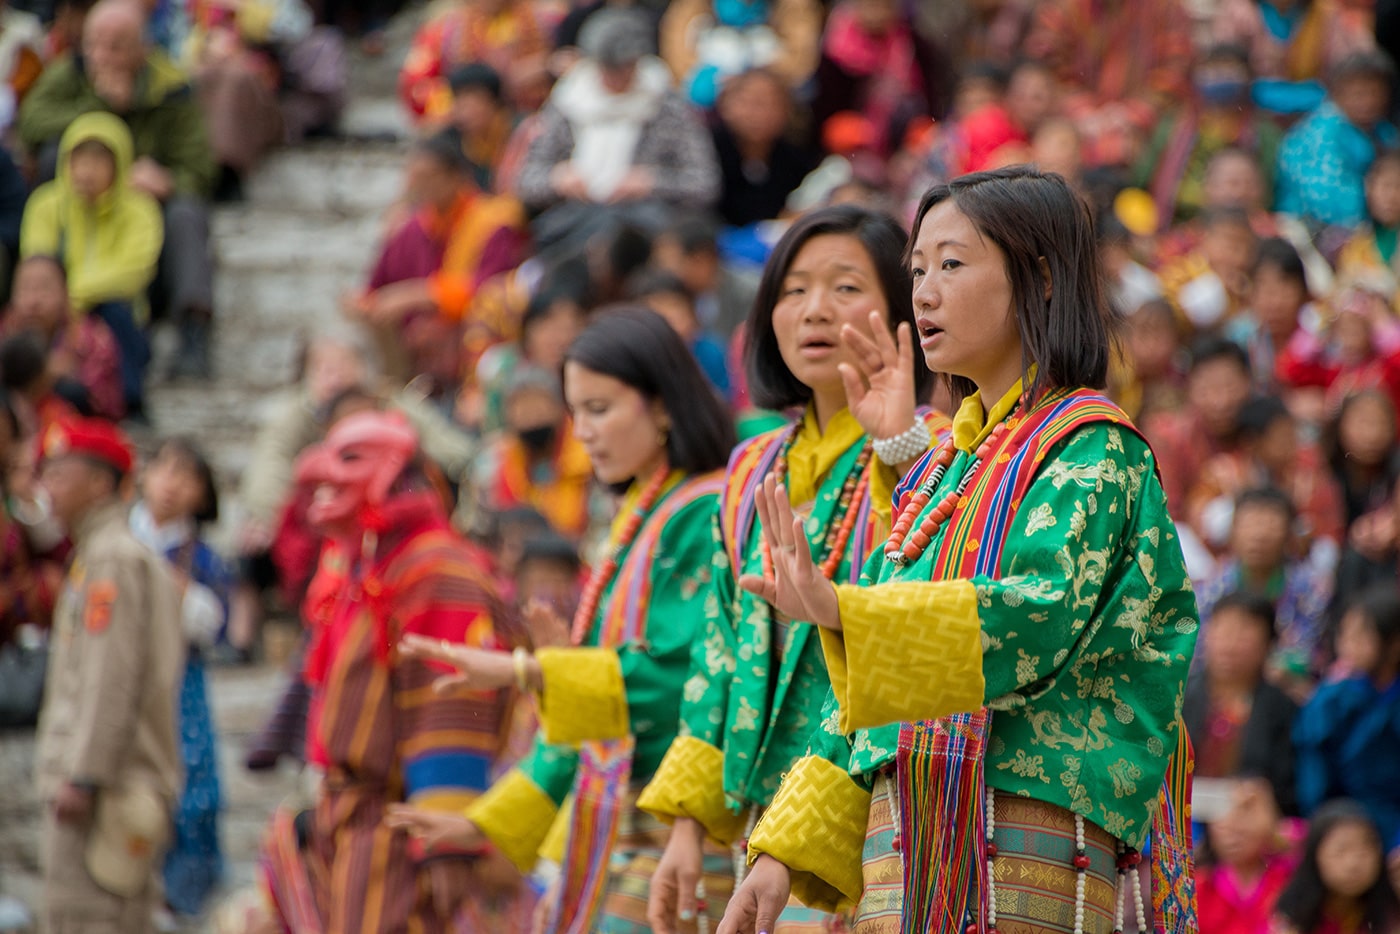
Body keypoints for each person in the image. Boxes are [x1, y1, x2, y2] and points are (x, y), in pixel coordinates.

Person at [718, 166, 1199, 933]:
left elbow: (1036, 617)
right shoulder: (952, 465)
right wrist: (781, 854)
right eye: (916, 271)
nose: (924, 292)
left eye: (951, 264)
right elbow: (861, 705)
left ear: (1038, 278)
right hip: (906, 850)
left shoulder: (1092, 448)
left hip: (1019, 855)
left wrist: (843, 607)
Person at [636, 205, 946, 934]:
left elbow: (901, 638)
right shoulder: (751, 464)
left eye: (844, 287)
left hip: (878, 818)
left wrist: (901, 449)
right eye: (794, 289)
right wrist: (687, 824)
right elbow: (718, 648)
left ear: (902, 313)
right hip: (761, 820)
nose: (814, 310)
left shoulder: (923, 450)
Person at [387, 308, 739, 932]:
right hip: (623, 821)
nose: (585, 433)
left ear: (662, 406)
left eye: (601, 409)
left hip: (679, 821)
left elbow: (678, 680)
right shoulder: (645, 513)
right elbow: (590, 720)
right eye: (577, 414)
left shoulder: (700, 510)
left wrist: (528, 671)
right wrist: (482, 822)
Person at [257, 409, 533, 933]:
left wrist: (446, 841)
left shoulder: (438, 570)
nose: (324, 473)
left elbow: (452, 705)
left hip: (399, 833)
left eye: (350, 458)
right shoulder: (374, 564)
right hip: (354, 819)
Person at [34, 416, 183, 934]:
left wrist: (83, 773)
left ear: (99, 484)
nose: (45, 488)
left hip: (104, 794)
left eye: (58, 474)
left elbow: (109, 677)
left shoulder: (112, 561)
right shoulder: (102, 555)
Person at [19, 0, 219, 378]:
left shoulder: (170, 86)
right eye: (94, 44)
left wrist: (168, 180)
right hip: (75, 210)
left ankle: (193, 328)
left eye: (116, 46)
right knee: (47, 159)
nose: (102, 56)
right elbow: (31, 121)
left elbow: (201, 167)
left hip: (141, 212)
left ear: (142, 48)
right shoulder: (70, 74)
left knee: (187, 214)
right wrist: (98, 105)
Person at [514, 9, 720, 252]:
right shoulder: (566, 103)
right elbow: (527, 180)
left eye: (625, 68)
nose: (616, 78)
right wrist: (558, 179)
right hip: (576, 221)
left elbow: (705, 183)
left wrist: (651, 182)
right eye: (608, 69)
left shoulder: (669, 108)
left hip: (648, 225)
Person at [129, 437, 231, 917]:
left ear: (202, 494)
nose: (171, 484)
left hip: (178, 683)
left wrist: (176, 589)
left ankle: (180, 895)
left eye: (186, 477)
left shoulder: (201, 558)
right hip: (122, 678)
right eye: (164, 469)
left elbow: (216, 624)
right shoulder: (121, 539)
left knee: (192, 787)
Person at [20, 112, 162, 419]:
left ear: (119, 164)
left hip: (108, 308)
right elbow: (37, 262)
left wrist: (75, 296)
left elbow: (134, 271)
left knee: (115, 314)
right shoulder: (46, 204)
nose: (86, 171)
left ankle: (130, 402)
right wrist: (59, 301)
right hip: (53, 312)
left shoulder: (140, 210)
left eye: (98, 162)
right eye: (79, 160)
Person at [1023, 0, 1193, 167]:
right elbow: (1046, 66)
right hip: (1072, 123)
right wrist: (1083, 111)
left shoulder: (1166, 7)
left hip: (1143, 131)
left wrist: (1130, 114)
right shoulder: (1064, 7)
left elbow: (1175, 72)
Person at [1295, 586, 1400, 852]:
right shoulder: (1330, 702)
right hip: (1345, 830)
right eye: (1345, 634)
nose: (1348, 646)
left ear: (1394, 643)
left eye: (1361, 636)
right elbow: (1315, 785)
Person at [1135, 43, 1283, 229]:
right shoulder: (1175, 126)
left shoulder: (1263, 134)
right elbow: (1142, 178)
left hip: (1239, 227)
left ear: (1247, 76)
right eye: (1212, 70)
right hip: (1174, 224)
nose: (1219, 77)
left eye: (1228, 70)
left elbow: (1271, 191)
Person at [1196, 488, 1332, 689]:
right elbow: (1198, 651)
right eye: (1249, 524)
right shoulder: (1211, 589)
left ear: (1289, 533)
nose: (1259, 535)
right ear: (1233, 531)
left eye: (1271, 525)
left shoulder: (1312, 591)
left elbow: (1313, 655)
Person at [1182, 590, 1299, 813]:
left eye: (1243, 634)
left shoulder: (1283, 708)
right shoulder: (1179, 695)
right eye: (1223, 631)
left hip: (1248, 817)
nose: (1230, 645)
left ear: (1267, 644)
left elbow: (1286, 785)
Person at [1275, 50, 1400, 230]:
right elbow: (1329, 202)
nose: (1368, 102)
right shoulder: (1320, 135)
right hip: (1309, 229)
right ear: (1337, 94)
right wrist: (1382, 199)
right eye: (1359, 94)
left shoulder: (1384, 132)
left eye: (1374, 93)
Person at [2, 255, 123, 421]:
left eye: (44, 289)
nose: (33, 301)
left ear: (65, 293)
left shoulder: (92, 337)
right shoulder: (5, 332)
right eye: (25, 289)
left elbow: (104, 404)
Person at [1272, 800, 1400, 933]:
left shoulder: (1389, 914)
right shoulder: (1291, 920)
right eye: (1341, 851)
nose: (1353, 864)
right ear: (1315, 856)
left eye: (1364, 852)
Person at [1195, 778, 1298, 933]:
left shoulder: (1286, 877)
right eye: (1225, 833)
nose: (1232, 841)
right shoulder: (1200, 885)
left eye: (1241, 833)